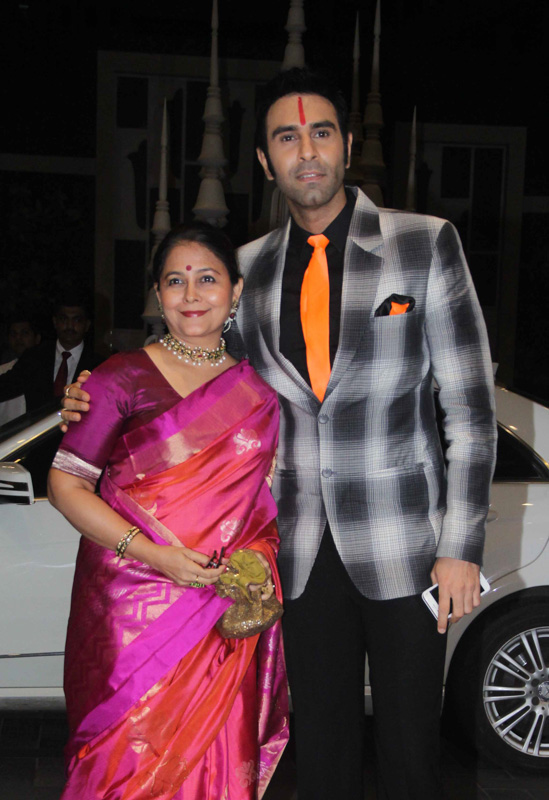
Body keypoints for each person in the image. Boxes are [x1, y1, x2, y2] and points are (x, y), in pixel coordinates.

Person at [62, 69, 497, 800]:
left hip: (407, 546)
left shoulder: (423, 244)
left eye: (321, 133)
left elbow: (470, 410)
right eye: (287, 138)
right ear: (266, 161)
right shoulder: (248, 269)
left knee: (410, 752)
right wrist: (95, 397)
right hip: (292, 552)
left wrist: (461, 546)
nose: (307, 151)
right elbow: (198, 367)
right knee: (319, 749)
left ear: (346, 145)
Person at [48, 223, 288, 799]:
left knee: (213, 760)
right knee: (127, 764)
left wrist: (256, 559)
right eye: (175, 281)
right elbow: (65, 484)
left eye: (208, 279)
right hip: (132, 614)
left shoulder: (258, 393)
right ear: (158, 294)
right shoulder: (120, 377)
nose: (191, 294)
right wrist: (155, 556)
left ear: (235, 290)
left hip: (217, 613)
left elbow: (259, 506)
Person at [0, 296, 102, 413]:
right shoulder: (34, 356)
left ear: (87, 325)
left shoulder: (99, 365)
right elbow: (6, 386)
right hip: (38, 424)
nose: (69, 325)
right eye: (64, 319)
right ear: (55, 322)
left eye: (77, 320)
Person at [0, 317, 41, 425]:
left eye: (24, 333)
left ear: (37, 338)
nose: (18, 338)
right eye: (13, 334)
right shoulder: (2, 371)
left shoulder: (45, 370)